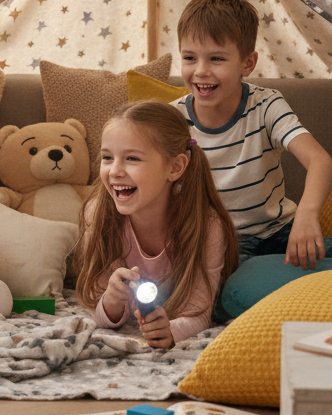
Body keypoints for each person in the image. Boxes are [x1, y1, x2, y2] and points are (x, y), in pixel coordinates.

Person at [171, 0, 332, 270]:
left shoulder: (266, 105)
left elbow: (320, 161)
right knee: (226, 287)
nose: (201, 71)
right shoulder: (173, 119)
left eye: (216, 59)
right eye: (189, 58)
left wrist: (306, 215)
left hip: (279, 233)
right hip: (221, 242)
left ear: (247, 64)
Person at [76, 101, 239, 348]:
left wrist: (171, 330)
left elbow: (199, 311)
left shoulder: (205, 225)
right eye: (107, 158)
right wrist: (111, 299)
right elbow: (98, 312)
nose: (115, 171)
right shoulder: (98, 214)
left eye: (132, 158)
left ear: (175, 167)